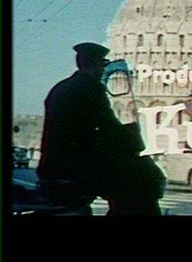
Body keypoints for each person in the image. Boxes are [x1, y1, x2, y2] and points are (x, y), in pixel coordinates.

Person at [37, 42, 165, 215]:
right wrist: (131, 137)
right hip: (76, 166)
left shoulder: (61, 87)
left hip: (53, 164)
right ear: (93, 65)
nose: (103, 70)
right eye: (102, 65)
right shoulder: (91, 89)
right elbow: (108, 125)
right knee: (142, 178)